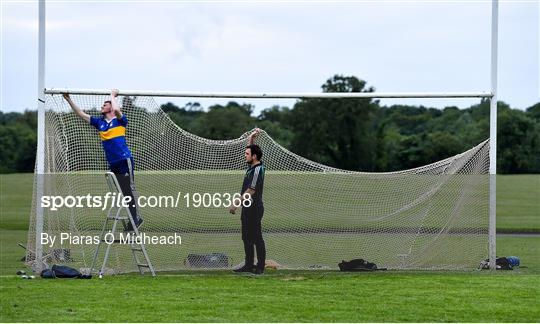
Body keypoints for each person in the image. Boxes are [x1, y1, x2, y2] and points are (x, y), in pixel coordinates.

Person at [63, 89, 143, 231]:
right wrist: (68, 99)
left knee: (129, 189)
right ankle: (133, 219)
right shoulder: (99, 122)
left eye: (105, 104)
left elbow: (117, 109)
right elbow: (81, 114)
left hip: (124, 159)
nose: (102, 106)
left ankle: (136, 218)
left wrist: (112, 96)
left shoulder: (120, 120)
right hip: (113, 163)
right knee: (123, 192)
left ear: (111, 107)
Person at [229, 128, 267, 274]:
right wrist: (251, 138)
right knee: (246, 237)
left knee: (257, 237)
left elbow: (251, 191)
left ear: (254, 156)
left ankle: (260, 267)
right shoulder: (252, 165)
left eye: (247, 154)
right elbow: (250, 149)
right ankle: (249, 264)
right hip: (247, 207)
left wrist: (235, 204)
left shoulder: (258, 169)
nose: (245, 155)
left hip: (255, 208)